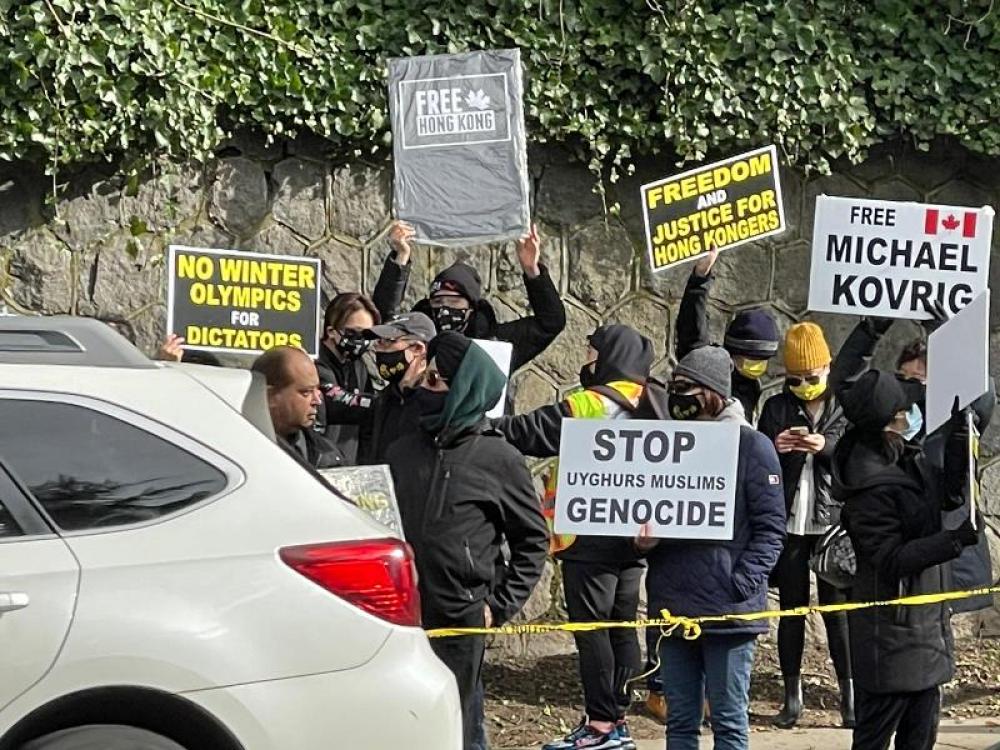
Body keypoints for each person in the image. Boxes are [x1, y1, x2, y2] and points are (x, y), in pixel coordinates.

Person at [492, 324, 654, 750]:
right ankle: (619, 721)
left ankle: (600, 726)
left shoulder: (589, 403)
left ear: (609, 356)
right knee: (622, 627)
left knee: (591, 628)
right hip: (636, 535)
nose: (587, 360)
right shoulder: (656, 402)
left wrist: (478, 422)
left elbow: (528, 433)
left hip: (588, 534)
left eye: (591, 352)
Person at [385, 331, 548, 750]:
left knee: (459, 724)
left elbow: (532, 540)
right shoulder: (402, 450)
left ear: (463, 387)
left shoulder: (499, 458)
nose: (426, 388)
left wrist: (499, 604)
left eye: (437, 381)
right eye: (425, 378)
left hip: (460, 617)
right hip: (398, 614)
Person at [638, 346, 786, 750]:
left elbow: (772, 529)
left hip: (729, 613)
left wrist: (741, 583)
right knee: (680, 722)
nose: (676, 396)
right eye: (673, 387)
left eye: (685, 388)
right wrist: (646, 542)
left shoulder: (752, 447)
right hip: (674, 605)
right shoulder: (666, 448)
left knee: (728, 722)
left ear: (711, 393)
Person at [832, 370, 982, 750]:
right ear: (888, 422)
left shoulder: (904, 455)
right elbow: (891, 558)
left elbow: (941, 498)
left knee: (921, 739)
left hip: (925, 632)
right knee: (874, 740)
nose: (912, 414)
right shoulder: (868, 484)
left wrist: (959, 449)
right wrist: (952, 541)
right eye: (905, 409)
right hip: (892, 640)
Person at [829, 316, 996, 613]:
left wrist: (952, 340)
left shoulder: (955, 422)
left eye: (923, 383)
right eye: (904, 381)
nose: (913, 392)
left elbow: (982, 396)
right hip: (903, 580)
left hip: (951, 567)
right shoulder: (875, 448)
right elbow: (847, 385)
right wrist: (872, 329)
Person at [757, 322, 853, 728]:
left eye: (810, 378)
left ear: (827, 367)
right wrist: (776, 448)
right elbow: (758, 462)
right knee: (791, 613)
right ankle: (791, 696)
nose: (803, 386)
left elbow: (856, 458)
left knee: (839, 613)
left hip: (832, 525)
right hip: (791, 525)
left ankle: (849, 696)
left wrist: (826, 447)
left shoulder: (844, 405)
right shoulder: (776, 407)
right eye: (794, 379)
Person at [375, 220, 566, 372]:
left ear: (472, 307)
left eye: (454, 301)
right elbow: (384, 318)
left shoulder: (495, 343)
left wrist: (531, 270)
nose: (444, 308)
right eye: (438, 301)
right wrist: (400, 257)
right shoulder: (416, 341)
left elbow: (551, 323)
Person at [675, 248, 780, 421]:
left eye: (763, 361)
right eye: (752, 360)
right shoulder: (709, 370)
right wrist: (700, 279)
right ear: (733, 353)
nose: (757, 366)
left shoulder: (752, 386)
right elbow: (692, 332)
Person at [356, 312, 436, 465]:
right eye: (378, 341)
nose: (377, 348)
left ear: (418, 348)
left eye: (387, 341)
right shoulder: (385, 400)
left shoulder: (434, 401)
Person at [251, 346, 343, 469]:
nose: (317, 400)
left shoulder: (328, 454)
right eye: (306, 392)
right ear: (270, 395)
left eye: (317, 390)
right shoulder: (236, 451)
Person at [314, 292, 381, 462]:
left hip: (350, 467)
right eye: (355, 333)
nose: (361, 341)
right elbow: (337, 401)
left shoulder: (358, 366)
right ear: (331, 331)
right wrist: (384, 404)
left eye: (368, 335)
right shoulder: (312, 364)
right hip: (318, 464)